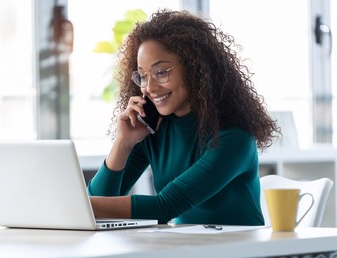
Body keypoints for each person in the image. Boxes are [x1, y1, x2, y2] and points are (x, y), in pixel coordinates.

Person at [88, 9, 281, 225]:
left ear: (195, 68)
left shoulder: (234, 136)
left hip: (240, 253)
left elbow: (165, 207)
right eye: (142, 76)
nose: (149, 88)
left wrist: (79, 204)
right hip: (181, 248)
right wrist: (123, 142)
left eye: (161, 72)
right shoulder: (152, 129)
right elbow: (103, 202)